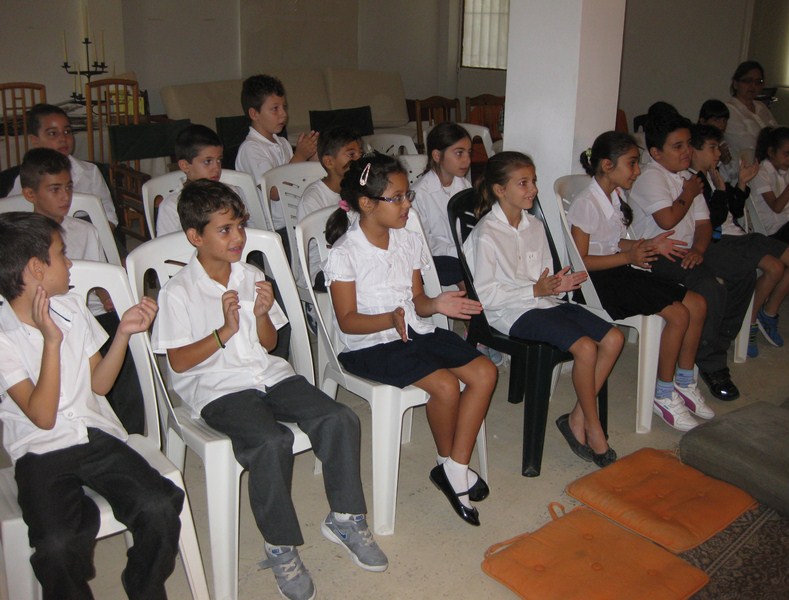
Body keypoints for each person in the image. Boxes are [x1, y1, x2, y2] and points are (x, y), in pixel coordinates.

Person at [151, 180, 386, 600]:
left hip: (266, 373)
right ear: (194, 237)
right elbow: (180, 363)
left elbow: (268, 344)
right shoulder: (178, 291)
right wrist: (223, 332)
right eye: (224, 230)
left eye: (239, 226)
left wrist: (261, 314)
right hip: (217, 387)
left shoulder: (251, 275)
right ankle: (280, 545)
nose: (238, 237)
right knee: (268, 442)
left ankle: (346, 517)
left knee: (338, 417)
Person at [0, 211, 183, 600]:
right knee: (57, 545)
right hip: (40, 450)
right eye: (61, 254)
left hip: (93, 434)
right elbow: (43, 417)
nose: (69, 263)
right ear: (35, 268)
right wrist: (51, 341)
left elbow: (99, 384)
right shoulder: (3, 336)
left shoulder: (71, 308)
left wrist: (123, 334)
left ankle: (143, 587)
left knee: (160, 503)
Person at [323, 153, 496, 526]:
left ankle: (454, 465)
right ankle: (448, 465)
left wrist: (436, 303)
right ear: (367, 204)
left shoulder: (406, 240)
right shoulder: (345, 254)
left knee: (485, 373)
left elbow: (417, 300)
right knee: (446, 386)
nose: (407, 205)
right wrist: (389, 318)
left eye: (407, 196)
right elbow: (347, 321)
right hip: (369, 345)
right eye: (398, 198)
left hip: (413, 330)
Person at [464, 151, 623, 465]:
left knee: (614, 338)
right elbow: (485, 295)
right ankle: (593, 428)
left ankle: (576, 417)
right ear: (500, 190)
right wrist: (533, 289)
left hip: (544, 303)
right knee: (586, 349)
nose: (532, 189)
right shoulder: (485, 235)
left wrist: (557, 285)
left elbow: (544, 278)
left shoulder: (534, 225)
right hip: (511, 312)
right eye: (523, 183)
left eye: (533, 181)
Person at [569, 131, 711, 431]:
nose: (637, 171)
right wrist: (630, 256)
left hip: (619, 270)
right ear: (607, 165)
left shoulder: (615, 196)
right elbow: (580, 261)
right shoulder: (587, 203)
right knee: (678, 314)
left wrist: (644, 246)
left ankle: (683, 382)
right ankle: (662, 393)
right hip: (596, 282)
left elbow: (611, 242)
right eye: (632, 164)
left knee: (696, 302)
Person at [629, 113, 756, 401]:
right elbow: (667, 219)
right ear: (656, 152)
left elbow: (704, 224)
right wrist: (688, 192)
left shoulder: (688, 178)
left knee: (743, 272)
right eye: (678, 146)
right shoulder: (652, 177)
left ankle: (712, 342)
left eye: (687, 144)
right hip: (657, 253)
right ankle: (712, 364)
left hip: (688, 248)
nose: (687, 151)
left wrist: (699, 250)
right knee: (711, 286)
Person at [18, 147, 145, 434]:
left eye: (68, 188)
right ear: (30, 195)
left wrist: (107, 295)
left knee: (126, 355)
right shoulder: (21, 239)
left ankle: (126, 431)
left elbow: (99, 281)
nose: (65, 197)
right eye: (54, 189)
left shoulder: (85, 231)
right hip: (40, 321)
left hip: (90, 316)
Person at [689, 124, 789, 356]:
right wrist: (720, 191)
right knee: (774, 267)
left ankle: (767, 314)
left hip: (739, 234)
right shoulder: (693, 181)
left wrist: (740, 184)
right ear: (694, 151)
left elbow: (735, 211)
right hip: (722, 240)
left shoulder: (713, 174)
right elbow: (714, 220)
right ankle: (748, 323)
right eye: (712, 148)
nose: (719, 153)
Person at [235, 74, 319, 252]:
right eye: (275, 108)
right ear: (254, 113)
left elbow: (300, 180)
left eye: (284, 107)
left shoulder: (282, 143)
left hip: (294, 220)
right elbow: (274, 192)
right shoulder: (251, 149)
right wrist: (300, 156)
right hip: (274, 230)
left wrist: (313, 157)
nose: (283, 114)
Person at [8, 104, 117, 230]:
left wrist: (97, 237)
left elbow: (108, 214)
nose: (63, 138)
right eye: (53, 133)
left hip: (89, 234)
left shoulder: (90, 172)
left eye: (67, 131)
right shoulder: (26, 178)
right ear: (35, 140)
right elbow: (11, 215)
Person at [296, 126, 362, 290]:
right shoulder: (313, 198)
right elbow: (318, 251)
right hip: (320, 267)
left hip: (352, 258)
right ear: (329, 162)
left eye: (360, 154)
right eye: (351, 155)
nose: (359, 160)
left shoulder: (360, 189)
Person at [411, 122, 472, 289]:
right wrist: (459, 252)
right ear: (437, 156)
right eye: (459, 153)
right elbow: (424, 242)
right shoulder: (419, 193)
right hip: (434, 256)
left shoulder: (464, 186)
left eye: (468, 153)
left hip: (461, 252)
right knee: (463, 274)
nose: (467, 160)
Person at [156, 124, 224, 237]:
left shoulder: (230, 193)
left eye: (219, 160)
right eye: (208, 161)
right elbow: (165, 249)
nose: (217, 168)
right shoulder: (172, 206)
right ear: (185, 166)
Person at [750, 126, 789, 248]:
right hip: (776, 232)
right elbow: (777, 207)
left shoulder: (785, 171)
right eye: (787, 154)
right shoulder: (761, 173)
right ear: (771, 151)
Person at [725, 61, 779, 163]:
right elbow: (746, 144)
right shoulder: (729, 110)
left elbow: (778, 135)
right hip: (746, 169)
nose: (753, 86)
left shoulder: (761, 107)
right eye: (748, 81)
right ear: (736, 84)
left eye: (758, 82)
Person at [698, 99, 735, 181]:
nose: (722, 125)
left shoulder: (724, 142)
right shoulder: (698, 144)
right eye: (716, 120)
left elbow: (732, 175)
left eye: (724, 121)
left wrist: (726, 162)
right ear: (703, 121)